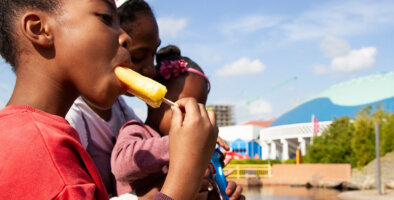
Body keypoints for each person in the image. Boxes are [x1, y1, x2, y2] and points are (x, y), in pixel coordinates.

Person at [0, 0, 219, 199]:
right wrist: (184, 180)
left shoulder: (39, 140)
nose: (126, 37)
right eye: (106, 18)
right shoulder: (38, 154)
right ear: (39, 29)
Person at [111, 45, 244, 200]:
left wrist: (216, 194)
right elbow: (120, 166)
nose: (192, 116)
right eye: (181, 106)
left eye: (198, 107)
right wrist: (181, 141)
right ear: (152, 100)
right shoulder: (136, 130)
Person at [65, 0, 159, 195]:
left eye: (154, 54)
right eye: (139, 55)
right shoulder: (72, 116)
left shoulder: (121, 108)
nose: (151, 69)